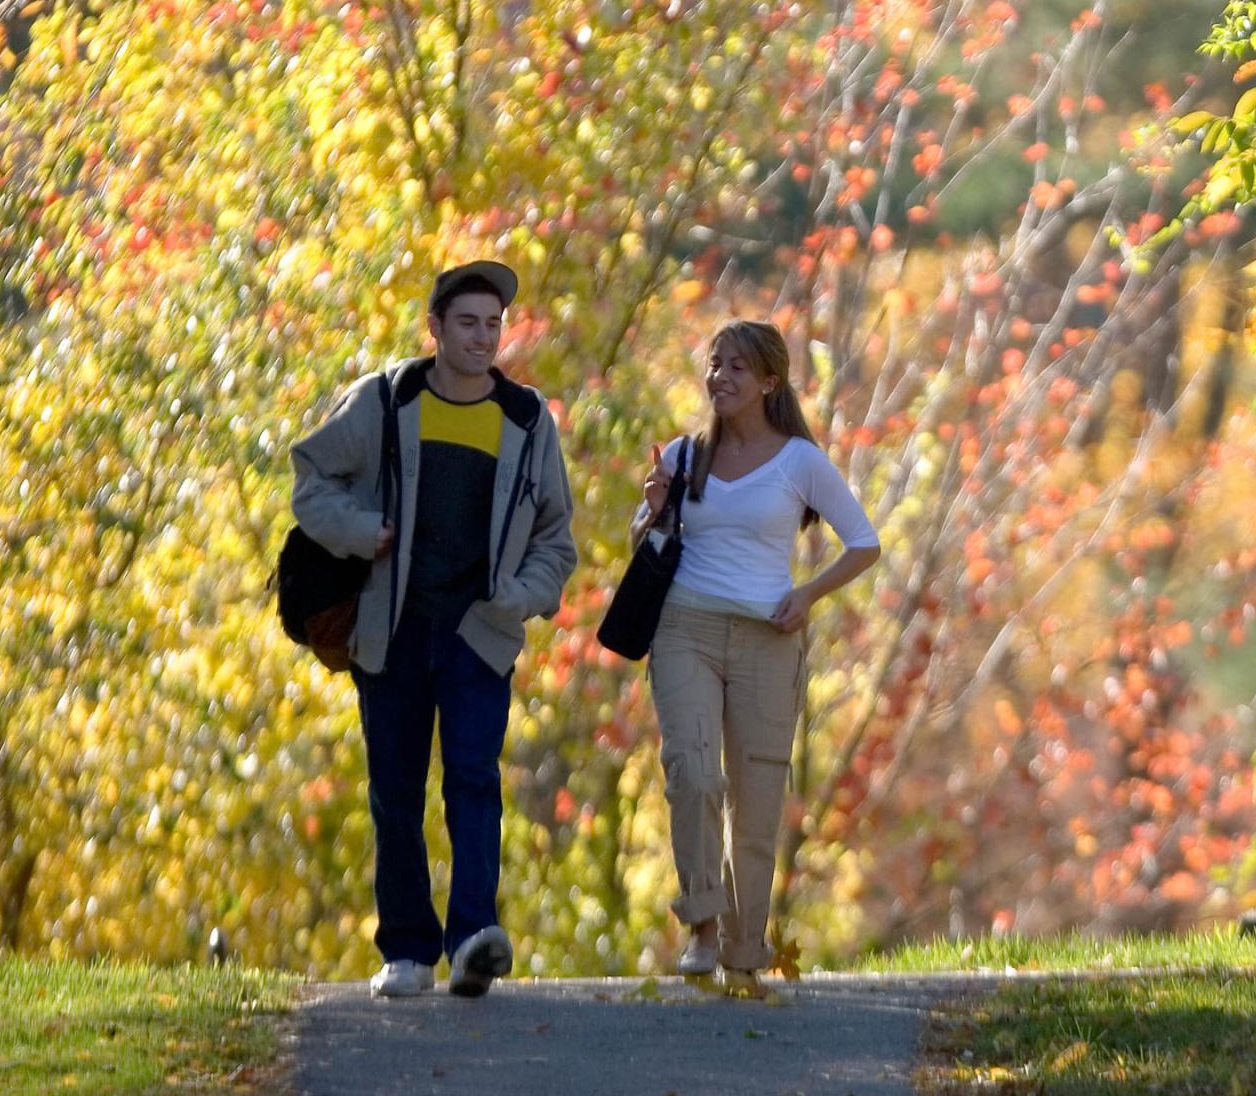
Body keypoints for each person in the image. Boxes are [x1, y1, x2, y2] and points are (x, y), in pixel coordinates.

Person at [291, 260, 576, 1000]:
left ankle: (474, 939)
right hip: (392, 629)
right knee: (395, 791)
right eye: (468, 323)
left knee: (475, 782)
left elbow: (556, 538)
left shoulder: (526, 419)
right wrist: (362, 531)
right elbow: (310, 476)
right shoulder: (386, 401)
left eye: (493, 325)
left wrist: (521, 597)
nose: (483, 338)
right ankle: (408, 952)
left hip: (479, 634)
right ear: (436, 329)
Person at [633, 319, 880, 985]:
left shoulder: (799, 461)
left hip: (767, 641)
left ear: (769, 381)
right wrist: (652, 506)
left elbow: (864, 541)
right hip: (684, 628)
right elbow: (646, 544)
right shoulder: (686, 455)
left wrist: (808, 594)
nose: (721, 377)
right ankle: (703, 928)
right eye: (715, 364)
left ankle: (746, 951)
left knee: (756, 798)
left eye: (737, 367)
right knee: (692, 773)